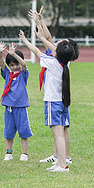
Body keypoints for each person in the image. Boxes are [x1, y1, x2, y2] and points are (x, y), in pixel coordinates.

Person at [19, 29, 76, 172]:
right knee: (60, 134)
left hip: (53, 102)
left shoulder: (51, 62)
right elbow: (53, 48)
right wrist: (40, 37)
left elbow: (37, 51)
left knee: (58, 135)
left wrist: (25, 40)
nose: (53, 48)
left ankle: (63, 165)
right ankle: (60, 163)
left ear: (56, 53)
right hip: (62, 102)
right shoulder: (65, 63)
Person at [28, 7, 78, 165]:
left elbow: (46, 40)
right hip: (62, 98)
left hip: (54, 98)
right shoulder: (62, 59)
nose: (57, 43)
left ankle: (64, 159)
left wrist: (39, 33)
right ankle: (59, 157)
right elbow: (48, 38)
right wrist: (40, 21)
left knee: (61, 130)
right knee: (62, 129)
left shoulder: (56, 58)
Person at [0, 41, 32, 161]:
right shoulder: (8, 74)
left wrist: (14, 54)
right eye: (11, 65)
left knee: (23, 131)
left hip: (21, 107)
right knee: (9, 131)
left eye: (16, 64)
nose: (14, 67)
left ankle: (24, 153)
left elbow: (24, 64)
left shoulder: (23, 74)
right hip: (9, 108)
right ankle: (8, 153)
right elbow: (1, 64)